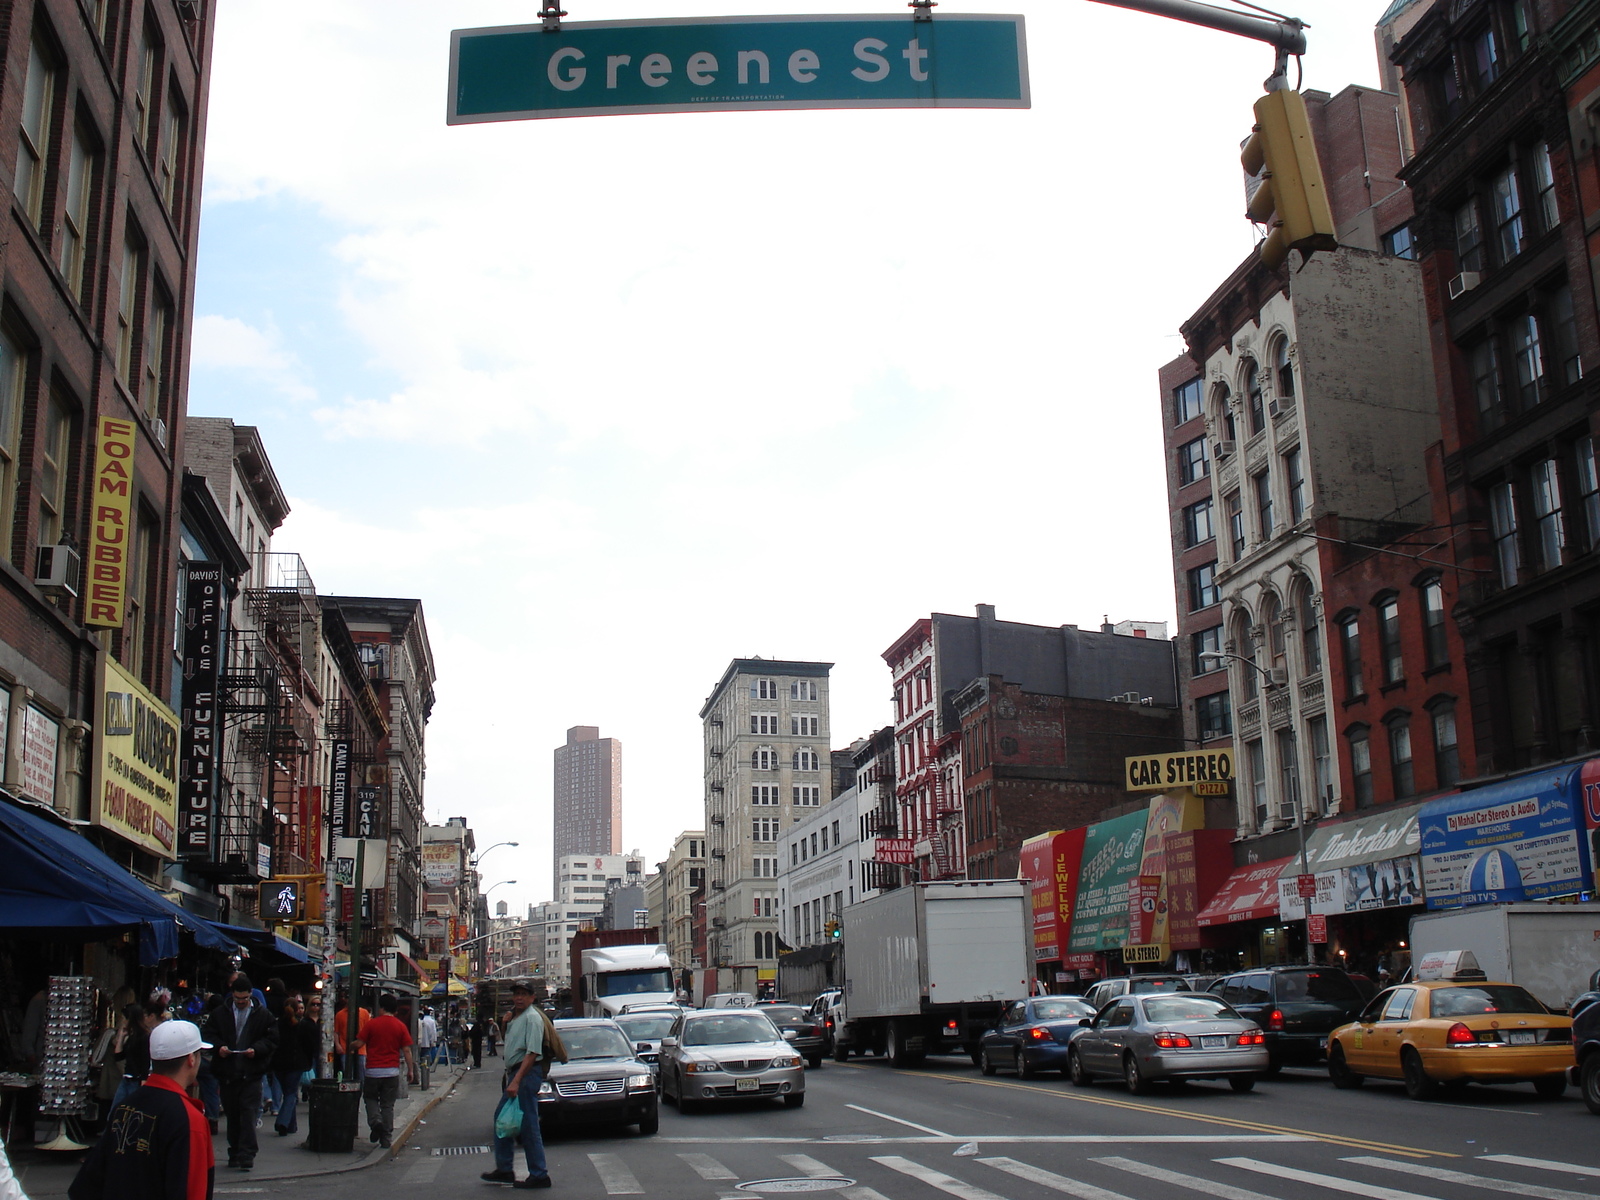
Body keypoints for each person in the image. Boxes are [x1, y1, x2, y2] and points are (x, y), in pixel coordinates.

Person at [69, 1019, 215, 1200]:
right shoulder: (189, 1119)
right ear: (191, 1059)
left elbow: (86, 1185)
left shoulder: (124, 1107)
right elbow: (192, 1191)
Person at [201, 975, 277, 1171]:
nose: (241, 1002)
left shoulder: (263, 1015)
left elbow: (271, 1040)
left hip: (251, 1073)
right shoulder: (220, 1013)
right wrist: (219, 1048)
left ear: (250, 995)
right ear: (232, 996)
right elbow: (208, 1035)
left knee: (248, 1113)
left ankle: (247, 1153)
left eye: (244, 999)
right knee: (233, 1114)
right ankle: (234, 1151)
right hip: (228, 1073)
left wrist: (256, 1050)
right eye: (237, 999)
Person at [480, 982, 549, 1189]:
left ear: (532, 997)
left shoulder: (532, 1018)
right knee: (502, 1119)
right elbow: (511, 1043)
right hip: (515, 1073)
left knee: (528, 1125)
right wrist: (504, 1024)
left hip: (526, 1074)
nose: (519, 998)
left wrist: (517, 1081)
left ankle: (539, 1174)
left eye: (523, 994)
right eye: (516, 994)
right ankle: (505, 1169)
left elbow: (532, 1053)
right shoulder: (515, 1017)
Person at [354, 995, 414, 1149]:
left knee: (370, 1099)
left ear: (381, 1007)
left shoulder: (372, 1024)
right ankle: (386, 1137)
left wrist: (346, 1044)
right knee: (388, 1105)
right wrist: (411, 1070)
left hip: (373, 1071)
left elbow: (359, 1043)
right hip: (391, 1072)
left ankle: (375, 1122)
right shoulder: (400, 1026)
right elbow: (406, 1050)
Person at [271, 995, 319, 1137]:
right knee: (291, 1093)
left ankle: (291, 1125)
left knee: (287, 1093)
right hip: (295, 1063)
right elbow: (309, 1045)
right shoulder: (301, 1025)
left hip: (279, 1064)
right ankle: (283, 1122)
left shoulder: (276, 1025)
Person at [110, 1004, 153, 1114]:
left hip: (136, 1080)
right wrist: (121, 1037)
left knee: (133, 1112)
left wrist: (143, 1081)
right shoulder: (131, 1037)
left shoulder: (144, 1037)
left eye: (125, 1018)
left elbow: (145, 1060)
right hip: (127, 1079)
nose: (123, 1021)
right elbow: (119, 1056)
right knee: (115, 1111)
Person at [333, 994, 370, 1080]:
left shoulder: (364, 1013)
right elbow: (336, 1032)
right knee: (347, 1073)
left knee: (361, 1073)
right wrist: (338, 1045)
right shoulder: (340, 1015)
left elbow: (368, 1031)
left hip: (361, 1049)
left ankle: (361, 1091)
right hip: (344, 1049)